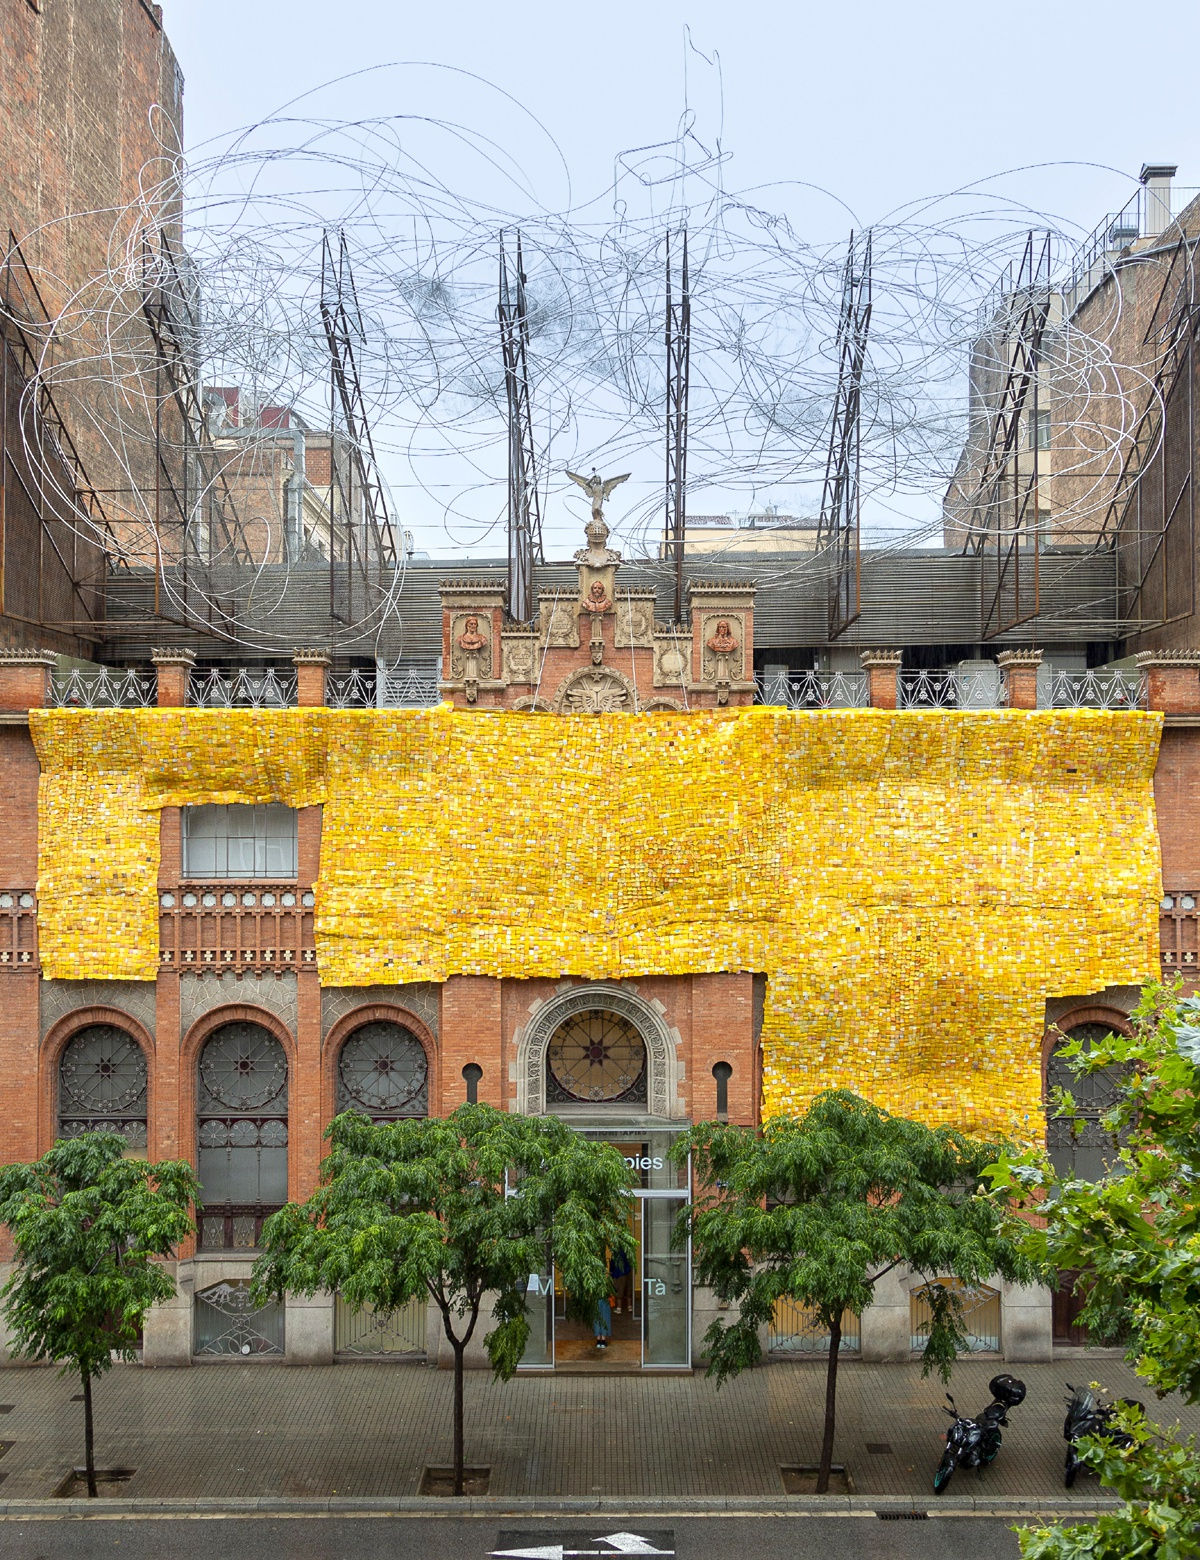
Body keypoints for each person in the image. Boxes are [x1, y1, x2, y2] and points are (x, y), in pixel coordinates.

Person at [610, 1248, 633, 1315]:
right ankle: (629, 1307)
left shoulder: (616, 1251)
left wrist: (611, 1272)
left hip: (619, 1273)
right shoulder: (627, 1250)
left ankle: (619, 1308)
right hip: (628, 1272)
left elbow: (612, 1263)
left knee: (619, 1291)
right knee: (628, 1290)